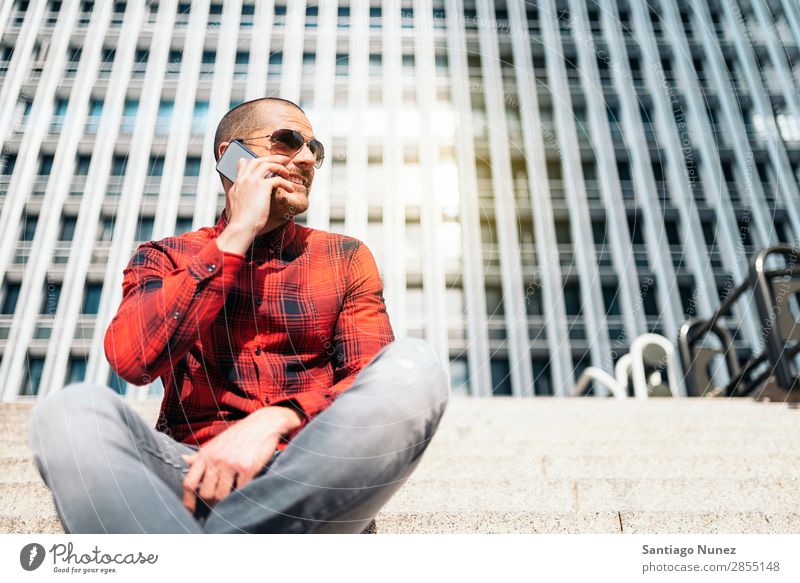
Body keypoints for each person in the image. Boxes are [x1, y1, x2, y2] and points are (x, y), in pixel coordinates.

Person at [28, 97, 450, 534]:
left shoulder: (344, 257)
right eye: (288, 141)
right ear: (230, 157)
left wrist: (281, 417)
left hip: (308, 474)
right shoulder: (165, 258)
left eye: (314, 150)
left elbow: (367, 379)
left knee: (416, 367)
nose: (307, 158)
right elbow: (133, 361)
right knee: (67, 411)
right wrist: (239, 232)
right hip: (191, 476)